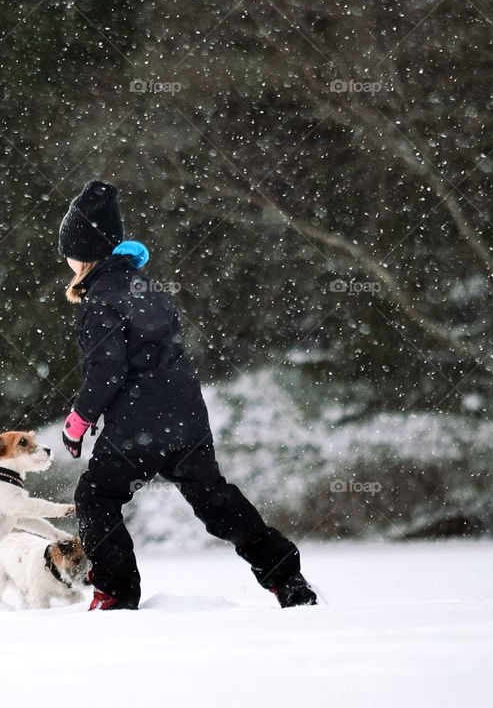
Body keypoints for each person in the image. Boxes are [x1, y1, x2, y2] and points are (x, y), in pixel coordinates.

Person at [58, 180, 317, 611]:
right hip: (186, 421)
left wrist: (79, 419)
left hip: (136, 428)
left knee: (96, 498)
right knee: (215, 501)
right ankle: (286, 578)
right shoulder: (148, 290)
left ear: (83, 251)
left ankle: (116, 593)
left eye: (68, 249)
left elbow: (108, 370)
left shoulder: (99, 299)